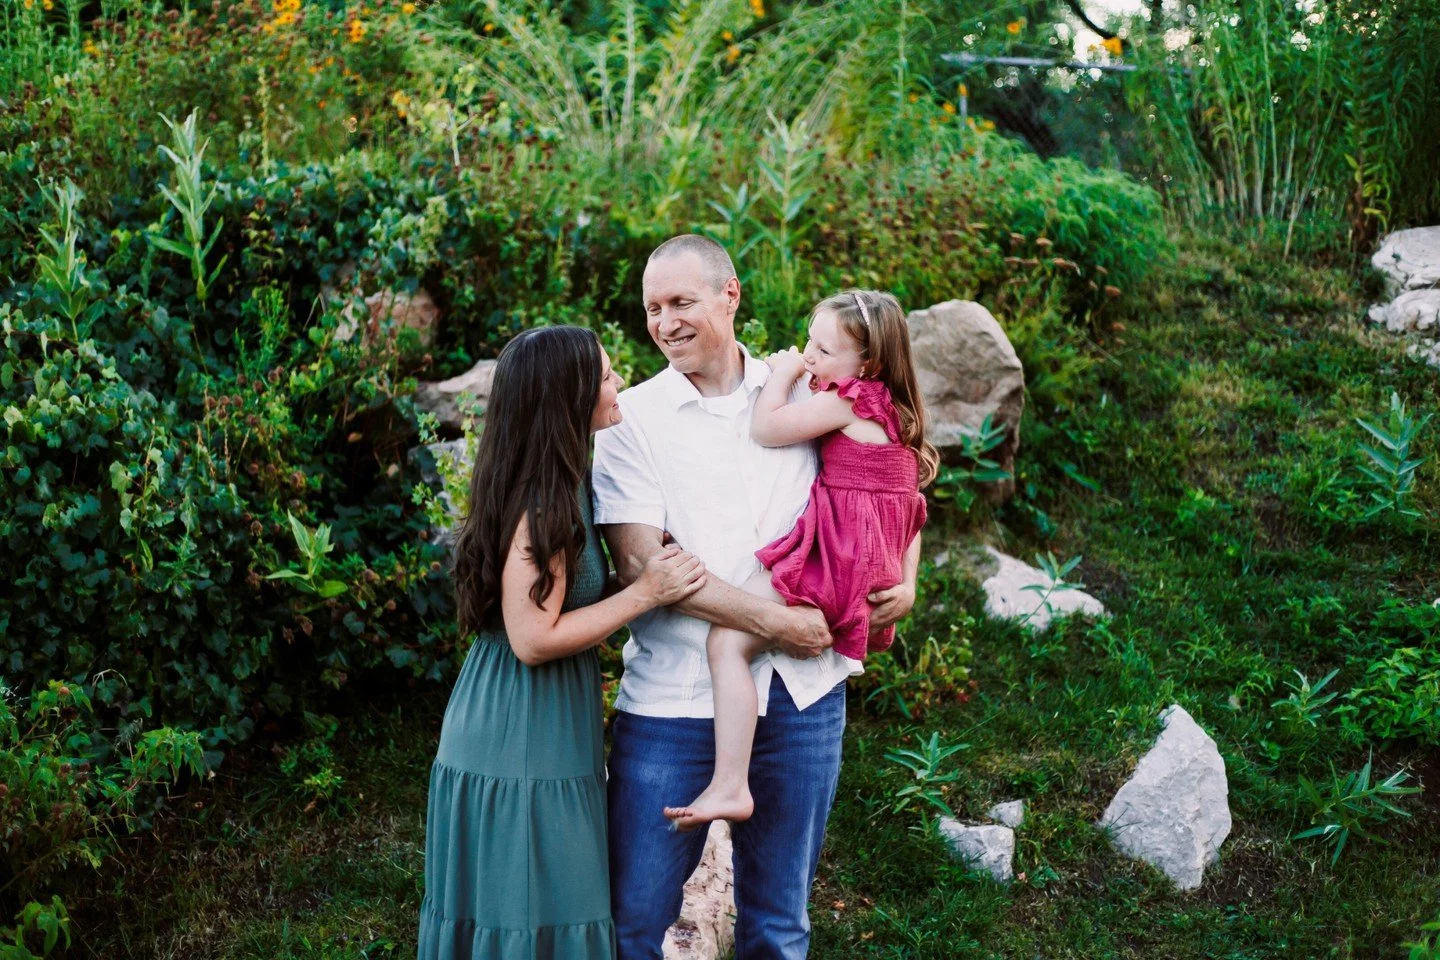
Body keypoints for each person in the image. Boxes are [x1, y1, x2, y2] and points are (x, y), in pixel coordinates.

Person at [592, 236, 921, 959]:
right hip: (671, 704)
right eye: (652, 308)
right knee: (633, 924)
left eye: (681, 302)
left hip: (804, 697)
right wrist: (775, 621)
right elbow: (642, 562)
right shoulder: (631, 422)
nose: (665, 322)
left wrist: (908, 569)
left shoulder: (807, 386)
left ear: (730, 295)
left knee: (778, 928)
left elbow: (897, 471)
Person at [418, 325, 707, 960]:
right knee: (528, 913)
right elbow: (530, 638)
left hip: (543, 722)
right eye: (605, 376)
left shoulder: (564, 477)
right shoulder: (545, 501)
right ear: (566, 396)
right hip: (519, 732)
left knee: (543, 908)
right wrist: (646, 593)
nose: (619, 383)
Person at [663, 289, 936, 832]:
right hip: (872, 568)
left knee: (726, 642)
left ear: (870, 364)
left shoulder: (850, 401)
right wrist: (907, 581)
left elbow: (766, 430)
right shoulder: (895, 413)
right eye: (808, 342)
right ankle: (733, 781)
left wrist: (784, 376)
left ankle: (730, 784)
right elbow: (911, 506)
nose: (810, 355)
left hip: (841, 563)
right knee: (735, 642)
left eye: (824, 350)